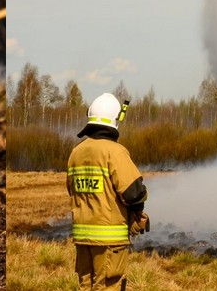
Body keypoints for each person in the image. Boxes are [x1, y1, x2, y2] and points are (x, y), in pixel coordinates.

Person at [67, 93, 149, 290]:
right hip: (110, 241)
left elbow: (72, 189)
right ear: (114, 120)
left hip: (82, 237)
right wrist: (137, 212)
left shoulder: (76, 152)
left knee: (86, 286)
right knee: (109, 285)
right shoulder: (115, 151)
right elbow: (134, 192)